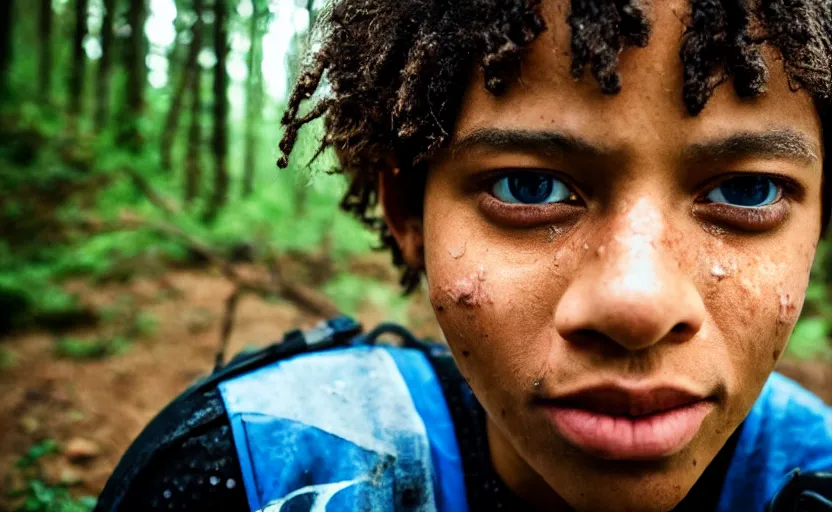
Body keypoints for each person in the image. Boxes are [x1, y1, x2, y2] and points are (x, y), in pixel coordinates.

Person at [95, 0, 832, 510]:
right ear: (408, 212)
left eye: (747, 191)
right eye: (530, 186)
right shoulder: (250, 475)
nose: (636, 306)